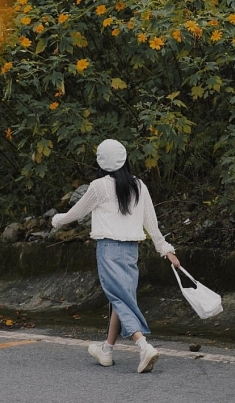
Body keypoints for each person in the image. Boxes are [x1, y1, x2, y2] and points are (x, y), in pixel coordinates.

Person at [51, 138, 180, 373]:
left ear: (101, 162)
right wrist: (166, 249)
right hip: (131, 251)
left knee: (119, 299)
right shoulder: (139, 185)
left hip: (109, 250)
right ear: (124, 159)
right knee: (121, 299)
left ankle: (143, 346)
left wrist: (57, 220)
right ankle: (107, 350)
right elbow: (151, 223)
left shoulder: (99, 186)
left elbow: (76, 213)